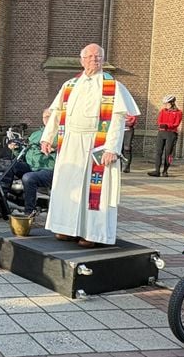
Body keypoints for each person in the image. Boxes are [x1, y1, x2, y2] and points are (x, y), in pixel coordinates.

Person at [41, 44, 139, 247]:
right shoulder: (69, 85)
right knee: (67, 187)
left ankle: (91, 234)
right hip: (70, 143)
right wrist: (47, 138)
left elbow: (118, 119)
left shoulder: (113, 86)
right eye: (90, 56)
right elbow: (56, 113)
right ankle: (66, 228)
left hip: (97, 144)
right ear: (82, 60)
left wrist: (112, 148)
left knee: (94, 192)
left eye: (98, 56)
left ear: (103, 60)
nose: (94, 59)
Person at [0, 123, 56, 217]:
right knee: (9, 165)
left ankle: (29, 212)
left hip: (48, 169)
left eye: (48, 116)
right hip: (31, 166)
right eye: (44, 117)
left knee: (28, 178)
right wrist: (16, 149)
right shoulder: (35, 134)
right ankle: (2, 197)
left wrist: (52, 151)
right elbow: (24, 152)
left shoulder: (57, 135)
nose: (46, 119)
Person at [149, 95, 182, 177]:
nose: (165, 105)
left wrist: (167, 125)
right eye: (165, 104)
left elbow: (176, 123)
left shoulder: (178, 112)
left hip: (171, 134)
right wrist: (162, 125)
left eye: (167, 103)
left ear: (172, 103)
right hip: (161, 133)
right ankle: (157, 171)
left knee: (168, 153)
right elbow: (159, 121)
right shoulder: (163, 111)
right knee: (158, 152)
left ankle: (165, 171)